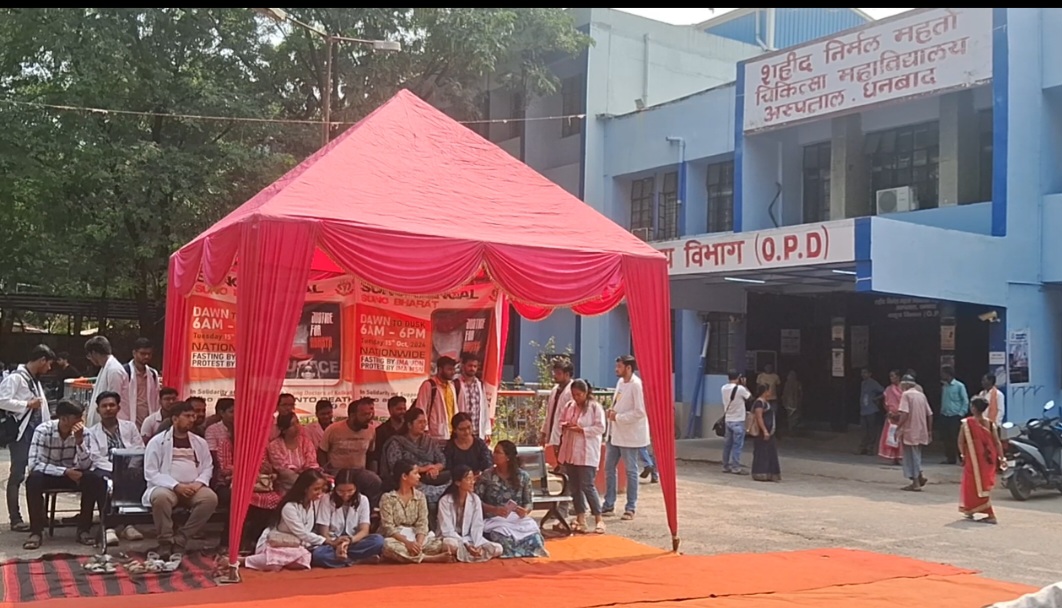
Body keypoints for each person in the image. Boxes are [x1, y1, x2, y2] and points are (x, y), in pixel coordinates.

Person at [23, 399, 106, 550]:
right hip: (49, 474)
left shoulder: (85, 433)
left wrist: (79, 442)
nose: (80, 421)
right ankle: (36, 531)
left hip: (73, 474)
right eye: (76, 418)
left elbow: (87, 465)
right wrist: (64, 472)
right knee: (33, 480)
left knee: (94, 479)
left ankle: (84, 529)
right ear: (64, 419)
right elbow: (34, 464)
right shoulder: (43, 430)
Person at [143, 401, 218, 559]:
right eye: (187, 416)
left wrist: (197, 484)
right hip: (167, 487)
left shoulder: (199, 442)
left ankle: (181, 538)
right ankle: (165, 541)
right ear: (175, 419)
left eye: (193, 416)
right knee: (160, 498)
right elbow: (151, 472)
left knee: (210, 499)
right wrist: (176, 486)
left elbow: (207, 467)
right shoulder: (157, 442)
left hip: (193, 487)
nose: (192, 419)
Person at [0, 344, 55, 533]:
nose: (49, 368)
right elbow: (2, 399)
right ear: (41, 360)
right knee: (17, 475)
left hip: (36, 434)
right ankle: (15, 518)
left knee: (38, 474)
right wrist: (26, 404)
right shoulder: (16, 378)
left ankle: (40, 516)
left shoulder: (34, 380)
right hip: (22, 434)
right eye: (48, 364)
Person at [85, 390, 145, 545]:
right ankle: (109, 527)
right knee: (102, 481)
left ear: (118, 408)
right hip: (105, 468)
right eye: (104, 406)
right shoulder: (91, 432)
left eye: (112, 405)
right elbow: (95, 457)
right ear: (98, 410)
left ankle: (128, 525)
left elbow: (139, 449)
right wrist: (116, 469)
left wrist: (129, 468)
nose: (108, 409)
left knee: (136, 476)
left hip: (129, 467)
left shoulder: (130, 427)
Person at [245, 469, 330, 571]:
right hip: (278, 543)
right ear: (305, 489)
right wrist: (327, 541)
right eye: (316, 489)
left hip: (298, 545)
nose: (319, 493)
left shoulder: (315, 504)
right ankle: (243, 560)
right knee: (274, 564)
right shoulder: (289, 507)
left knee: (304, 561)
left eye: (321, 489)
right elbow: (301, 533)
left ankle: (283, 563)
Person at [476, 440, 548, 558]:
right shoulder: (487, 476)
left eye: (498, 453)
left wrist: (525, 511)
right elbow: (477, 502)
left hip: (516, 520)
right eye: (494, 452)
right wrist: (495, 510)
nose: (494, 455)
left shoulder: (523, 477)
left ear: (508, 457)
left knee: (535, 538)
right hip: (495, 520)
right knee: (502, 539)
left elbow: (528, 502)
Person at [556, 378, 607, 535]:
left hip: (587, 453)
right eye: (574, 395)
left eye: (579, 395)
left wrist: (582, 430)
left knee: (587, 485)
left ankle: (599, 519)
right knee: (575, 487)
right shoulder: (569, 406)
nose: (576, 398)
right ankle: (581, 518)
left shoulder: (594, 408)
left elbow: (600, 428)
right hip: (571, 452)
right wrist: (565, 425)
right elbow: (561, 421)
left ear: (586, 393)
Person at [603, 355, 649, 520]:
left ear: (628, 368)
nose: (616, 369)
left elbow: (640, 412)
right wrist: (612, 414)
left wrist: (619, 417)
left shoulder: (636, 385)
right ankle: (608, 504)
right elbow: (619, 403)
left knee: (631, 470)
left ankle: (631, 507)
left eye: (619, 367)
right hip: (615, 432)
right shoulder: (620, 383)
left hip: (629, 434)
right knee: (609, 468)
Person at [379, 459, 452, 563]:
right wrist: (408, 543)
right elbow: (388, 528)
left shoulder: (420, 496)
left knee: (438, 544)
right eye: (415, 473)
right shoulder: (388, 498)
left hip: (415, 535)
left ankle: (415, 555)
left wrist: (419, 543)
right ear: (404, 476)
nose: (419, 476)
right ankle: (429, 558)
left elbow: (422, 523)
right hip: (398, 538)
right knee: (388, 546)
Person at [312, 468, 386, 567]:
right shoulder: (327, 499)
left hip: (353, 541)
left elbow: (364, 530)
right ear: (335, 488)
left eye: (350, 490)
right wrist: (335, 544)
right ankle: (357, 560)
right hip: (332, 543)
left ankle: (344, 560)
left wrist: (349, 541)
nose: (345, 495)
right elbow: (323, 532)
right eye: (341, 491)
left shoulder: (363, 500)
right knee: (318, 555)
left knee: (378, 541)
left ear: (356, 488)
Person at [318, 397, 383, 505]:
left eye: (371, 414)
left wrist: (373, 472)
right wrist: (326, 471)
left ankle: (370, 513)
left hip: (359, 471)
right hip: (337, 471)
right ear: (352, 415)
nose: (369, 418)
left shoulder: (371, 430)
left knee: (375, 481)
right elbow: (322, 451)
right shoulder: (334, 429)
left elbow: (371, 455)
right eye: (365, 415)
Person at [381, 407, 449, 507]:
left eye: (424, 422)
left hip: (432, 478)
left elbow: (442, 460)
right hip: (409, 481)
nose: (423, 425)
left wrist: (435, 468)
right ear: (409, 425)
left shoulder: (429, 441)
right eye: (420, 422)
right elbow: (396, 467)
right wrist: (423, 469)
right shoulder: (397, 442)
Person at [438, 465, 503, 563]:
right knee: (451, 545)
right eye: (468, 479)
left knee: (498, 548)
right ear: (458, 482)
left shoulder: (475, 499)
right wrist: (466, 544)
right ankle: (466, 553)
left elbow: (477, 525)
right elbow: (447, 530)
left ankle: (468, 554)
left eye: (473, 479)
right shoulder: (445, 501)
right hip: (453, 538)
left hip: (470, 538)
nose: (472, 482)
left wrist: (477, 545)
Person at [958, 397, 1004, 524]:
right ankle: (971, 509)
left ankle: (989, 514)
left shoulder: (967, 423)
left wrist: (963, 455)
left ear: (973, 408)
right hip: (988, 460)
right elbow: (997, 442)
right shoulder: (990, 424)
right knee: (982, 485)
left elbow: (961, 442)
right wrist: (1002, 457)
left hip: (973, 460)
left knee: (972, 485)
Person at [267, 413, 321, 494]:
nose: (297, 426)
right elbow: (284, 470)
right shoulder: (274, 446)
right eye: (292, 424)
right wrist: (303, 483)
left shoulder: (305, 442)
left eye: (297, 422)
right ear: (283, 429)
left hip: (309, 486)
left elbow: (311, 463)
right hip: (285, 488)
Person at [897, 375, 933, 492]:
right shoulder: (921, 395)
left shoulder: (906, 395)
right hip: (921, 430)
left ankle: (916, 482)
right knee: (916, 455)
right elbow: (930, 414)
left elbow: (905, 413)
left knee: (911, 457)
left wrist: (898, 426)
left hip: (910, 430)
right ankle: (919, 477)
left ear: (906, 385)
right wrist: (929, 430)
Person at [84, 336, 128, 427]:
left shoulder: (114, 370)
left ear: (94, 353)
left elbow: (113, 401)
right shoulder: (105, 368)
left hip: (111, 424)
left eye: (89, 356)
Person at [416, 356, 460, 440]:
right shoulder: (429, 385)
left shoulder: (451, 386)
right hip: (434, 433)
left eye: (453, 369)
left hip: (452, 433)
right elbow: (420, 408)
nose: (453, 372)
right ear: (440, 369)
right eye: (449, 369)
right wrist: (425, 430)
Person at [123, 338, 161, 429]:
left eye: (149, 354)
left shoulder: (153, 373)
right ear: (134, 353)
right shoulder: (124, 372)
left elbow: (156, 399)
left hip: (148, 418)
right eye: (143, 354)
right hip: (129, 418)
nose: (146, 357)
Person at [720, 371, 752, 475]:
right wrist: (744, 385)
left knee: (727, 445)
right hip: (738, 420)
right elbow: (750, 398)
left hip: (728, 420)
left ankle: (725, 466)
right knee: (737, 445)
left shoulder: (723, 388)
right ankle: (736, 467)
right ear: (738, 378)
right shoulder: (741, 389)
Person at [455, 352, 491, 441]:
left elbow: (485, 409)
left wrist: (487, 430)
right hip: (462, 431)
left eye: (475, 366)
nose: (472, 369)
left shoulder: (480, 384)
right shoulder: (456, 384)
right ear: (463, 366)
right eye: (470, 366)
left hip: (477, 431)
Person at [750, 384, 782, 482]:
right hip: (763, 433)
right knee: (762, 452)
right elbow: (759, 417)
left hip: (769, 432)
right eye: (769, 390)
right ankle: (760, 473)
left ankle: (770, 473)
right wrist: (764, 431)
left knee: (769, 452)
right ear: (765, 392)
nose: (770, 393)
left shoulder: (765, 402)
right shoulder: (759, 403)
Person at [940, 366, 970, 465]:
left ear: (948, 374)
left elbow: (965, 401)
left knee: (957, 438)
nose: (942, 375)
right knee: (946, 438)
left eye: (943, 373)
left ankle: (961, 458)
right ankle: (950, 458)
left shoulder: (959, 386)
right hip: (945, 415)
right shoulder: (945, 386)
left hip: (955, 416)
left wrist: (961, 414)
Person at [373, 395, 407, 471]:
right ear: (390, 410)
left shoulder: (409, 428)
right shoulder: (381, 430)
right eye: (399, 409)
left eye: (404, 409)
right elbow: (376, 455)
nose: (403, 412)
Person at [877, 370, 904, 464]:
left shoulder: (904, 388)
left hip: (902, 416)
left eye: (893, 376)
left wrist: (900, 414)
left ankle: (899, 457)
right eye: (890, 376)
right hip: (891, 416)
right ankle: (892, 457)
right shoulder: (889, 389)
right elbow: (885, 402)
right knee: (891, 436)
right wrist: (889, 412)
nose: (891, 378)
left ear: (898, 377)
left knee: (900, 437)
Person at [858, 368, 885, 456]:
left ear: (870, 374)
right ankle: (863, 447)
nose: (863, 374)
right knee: (864, 430)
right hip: (864, 410)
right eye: (862, 373)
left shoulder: (873, 383)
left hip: (871, 410)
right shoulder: (863, 383)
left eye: (865, 372)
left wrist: (876, 398)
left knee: (872, 430)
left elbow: (884, 392)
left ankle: (870, 448)